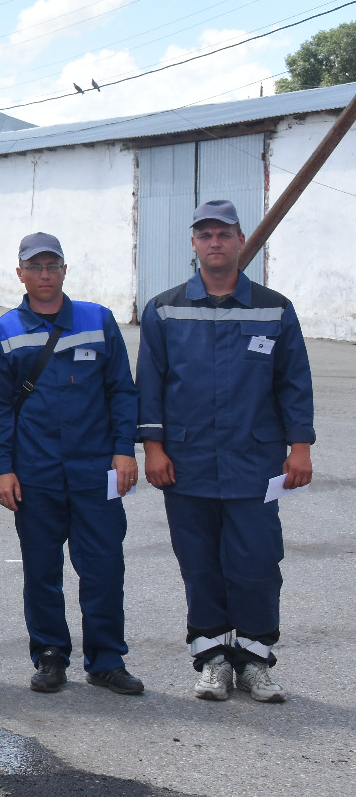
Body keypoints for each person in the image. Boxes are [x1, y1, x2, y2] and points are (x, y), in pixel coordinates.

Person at [137, 200, 314, 703]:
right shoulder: (164, 308)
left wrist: (299, 446)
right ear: (193, 244)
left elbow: (293, 382)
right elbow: (150, 384)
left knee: (257, 561)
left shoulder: (273, 308)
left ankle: (255, 661)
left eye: (224, 234)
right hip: (185, 462)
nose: (215, 243)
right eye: (205, 235)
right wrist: (153, 447)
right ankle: (211, 658)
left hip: (254, 462)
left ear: (240, 241)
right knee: (198, 561)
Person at [0, 233, 143, 696]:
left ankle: (107, 660)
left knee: (104, 567)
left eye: (52, 265)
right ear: (20, 274)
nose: (45, 274)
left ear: (65, 269)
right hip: (35, 473)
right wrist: (4, 467)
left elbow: (121, 390)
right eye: (35, 267)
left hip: (97, 470)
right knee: (42, 569)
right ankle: (50, 655)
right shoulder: (4, 331)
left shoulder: (98, 320)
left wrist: (123, 450)